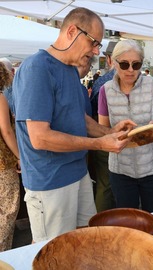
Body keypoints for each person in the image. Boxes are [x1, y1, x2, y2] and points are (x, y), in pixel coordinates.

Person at [12, 7, 135, 243]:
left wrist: (109, 132)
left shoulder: (69, 71)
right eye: (94, 42)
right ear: (71, 31)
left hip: (77, 174)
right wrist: (99, 144)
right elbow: (40, 138)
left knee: (84, 242)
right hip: (50, 183)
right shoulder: (37, 68)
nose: (97, 50)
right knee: (56, 253)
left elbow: (80, 118)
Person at [98, 39, 153, 213]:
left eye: (136, 64)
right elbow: (102, 132)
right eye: (125, 64)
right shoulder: (105, 90)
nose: (130, 70)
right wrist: (114, 132)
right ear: (114, 62)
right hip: (121, 171)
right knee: (128, 222)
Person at [89, 41, 117, 212]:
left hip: (104, 138)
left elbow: (91, 110)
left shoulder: (102, 82)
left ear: (108, 59)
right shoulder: (140, 82)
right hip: (122, 139)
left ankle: (103, 224)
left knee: (105, 185)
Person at [0, 62, 20, 251]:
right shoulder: (0, 99)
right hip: (3, 165)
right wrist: (19, 156)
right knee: (8, 210)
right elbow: (6, 132)